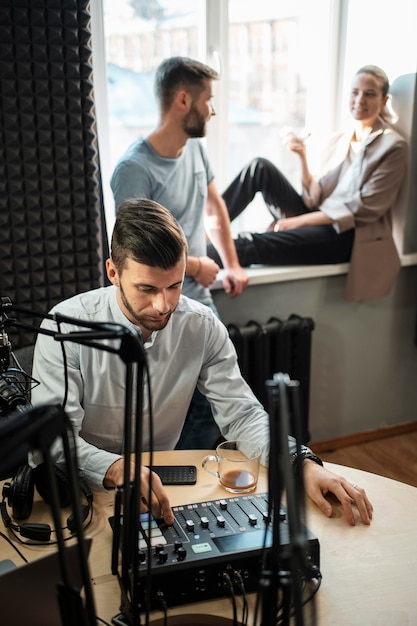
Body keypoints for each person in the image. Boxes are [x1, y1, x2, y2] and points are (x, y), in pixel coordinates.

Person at [31, 198, 373, 528]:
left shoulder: (202, 325)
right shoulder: (64, 327)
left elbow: (243, 416)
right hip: (78, 494)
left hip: (161, 492)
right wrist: (116, 468)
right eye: (147, 288)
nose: (163, 305)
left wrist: (303, 464)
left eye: (174, 286)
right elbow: (55, 441)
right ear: (112, 271)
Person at [110, 56, 249, 448]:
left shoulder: (194, 150)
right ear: (184, 101)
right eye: (209, 99)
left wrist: (232, 264)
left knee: (212, 404)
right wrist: (198, 264)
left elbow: (214, 207)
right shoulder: (133, 170)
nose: (214, 108)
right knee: (165, 409)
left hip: (199, 302)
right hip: (155, 309)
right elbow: (135, 250)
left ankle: (188, 482)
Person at [207, 65, 409, 302]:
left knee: (247, 244)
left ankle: (191, 256)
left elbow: (363, 208)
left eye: (369, 94)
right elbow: (313, 198)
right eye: (354, 92)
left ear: (384, 100)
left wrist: (297, 222)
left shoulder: (393, 146)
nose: (359, 100)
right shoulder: (341, 140)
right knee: (258, 168)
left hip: (344, 235)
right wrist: (302, 156)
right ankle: (206, 232)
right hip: (316, 218)